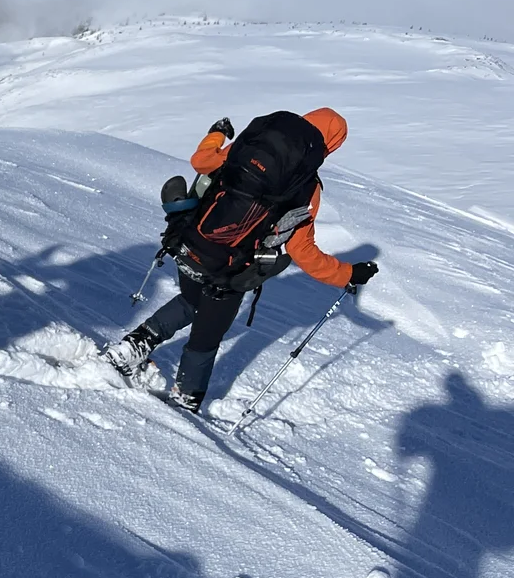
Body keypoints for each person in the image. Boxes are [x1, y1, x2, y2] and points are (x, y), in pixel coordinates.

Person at [106, 108, 378, 411]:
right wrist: (348, 273)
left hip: (191, 241)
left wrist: (217, 134)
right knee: (206, 337)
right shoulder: (305, 185)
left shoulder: (249, 146)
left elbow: (201, 162)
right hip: (232, 270)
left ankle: (129, 349)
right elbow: (303, 252)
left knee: (190, 300)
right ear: (330, 144)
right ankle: (184, 402)